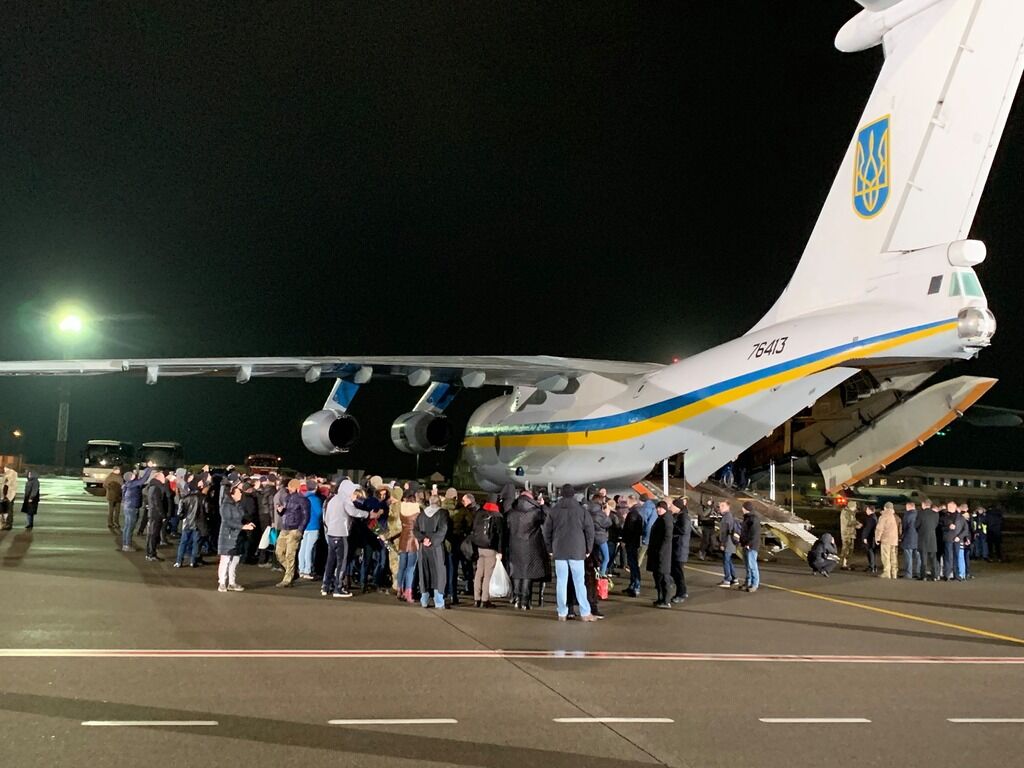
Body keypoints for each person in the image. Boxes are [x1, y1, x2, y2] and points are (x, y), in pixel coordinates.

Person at [542, 484, 597, 622]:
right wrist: (588, 549)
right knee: (579, 582)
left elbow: (546, 531)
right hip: (577, 550)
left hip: (559, 550)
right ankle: (585, 612)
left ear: (561, 494)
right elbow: (590, 531)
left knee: (561, 582)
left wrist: (549, 548)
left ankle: (562, 612)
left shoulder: (554, 511)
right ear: (573, 494)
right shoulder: (581, 511)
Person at [506, 488, 548, 610]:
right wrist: (543, 506)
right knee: (527, 574)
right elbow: (547, 518)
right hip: (530, 545)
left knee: (517, 573)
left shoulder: (512, 512)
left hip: (514, 545)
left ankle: (517, 599)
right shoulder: (535, 512)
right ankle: (525, 601)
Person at [217, 481, 256, 592]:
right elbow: (227, 521)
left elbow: (241, 517)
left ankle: (232, 582)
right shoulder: (225, 505)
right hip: (227, 536)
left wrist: (247, 524)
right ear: (232, 494)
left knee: (235, 560)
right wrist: (243, 527)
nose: (241, 495)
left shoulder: (238, 505)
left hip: (238, 536)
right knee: (225, 560)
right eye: (239, 493)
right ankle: (222, 583)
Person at [414, 495, 449, 608]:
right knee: (439, 572)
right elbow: (443, 529)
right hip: (436, 546)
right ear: (439, 502)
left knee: (424, 571)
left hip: (423, 547)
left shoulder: (422, 514)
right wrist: (433, 541)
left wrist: (423, 539)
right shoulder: (443, 513)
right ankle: (439, 601)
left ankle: (424, 599)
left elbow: (415, 529)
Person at [470, 494, 504, 608]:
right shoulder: (497, 516)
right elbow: (500, 535)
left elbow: (474, 529)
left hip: (479, 547)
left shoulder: (479, 513)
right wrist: (500, 551)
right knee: (488, 574)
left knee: (479, 573)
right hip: (491, 548)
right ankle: (485, 600)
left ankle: (476, 599)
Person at [275, 479, 310, 587]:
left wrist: (300, 530)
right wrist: (280, 511)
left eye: (290, 487)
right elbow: (286, 513)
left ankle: (287, 579)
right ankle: (291, 572)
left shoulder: (303, 500)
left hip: (294, 530)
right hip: (285, 528)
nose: (288, 488)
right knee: (279, 553)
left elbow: (306, 516)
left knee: (290, 554)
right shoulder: (287, 498)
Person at [646, 501, 673, 608]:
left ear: (665, 509)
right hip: (657, 552)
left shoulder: (666, 520)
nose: (658, 509)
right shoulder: (661, 519)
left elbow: (667, 538)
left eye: (660, 508)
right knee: (658, 576)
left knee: (663, 577)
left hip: (662, 554)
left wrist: (661, 551)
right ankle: (661, 599)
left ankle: (666, 600)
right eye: (657, 508)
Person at [174, 478, 205, 567]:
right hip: (198, 523)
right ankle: (193, 561)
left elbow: (180, 513)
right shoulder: (202, 498)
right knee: (196, 543)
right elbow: (207, 510)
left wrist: (184, 517)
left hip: (187, 522)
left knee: (183, 542)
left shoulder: (184, 499)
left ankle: (179, 561)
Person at [396, 493, 421, 603]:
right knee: (411, 568)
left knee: (402, 566)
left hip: (403, 538)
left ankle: (399, 589)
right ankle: (408, 592)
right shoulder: (417, 510)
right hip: (413, 540)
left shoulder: (402, 508)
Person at [298, 482, 323, 580]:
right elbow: (319, 512)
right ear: (316, 488)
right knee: (310, 549)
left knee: (303, 548)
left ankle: (301, 569)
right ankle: (308, 570)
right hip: (313, 525)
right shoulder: (315, 499)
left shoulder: (303, 498)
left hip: (304, 526)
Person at [120, 469, 149, 552]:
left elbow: (141, 484)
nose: (134, 475)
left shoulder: (128, 484)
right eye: (132, 475)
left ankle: (125, 544)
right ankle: (127, 545)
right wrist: (149, 468)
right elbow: (143, 479)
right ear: (130, 478)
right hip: (132, 507)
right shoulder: (132, 484)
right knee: (130, 527)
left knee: (127, 526)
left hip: (128, 506)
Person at [621, 497, 644, 596]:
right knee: (633, 564)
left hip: (631, 542)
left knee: (633, 565)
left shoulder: (632, 514)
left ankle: (636, 586)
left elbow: (629, 530)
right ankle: (633, 585)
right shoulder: (638, 512)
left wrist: (624, 540)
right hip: (635, 542)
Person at [670, 496, 691, 603]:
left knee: (678, 573)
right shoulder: (679, 516)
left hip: (680, 549)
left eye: (672, 506)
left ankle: (681, 593)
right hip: (678, 549)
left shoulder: (683, 517)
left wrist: (672, 526)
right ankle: (682, 591)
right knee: (676, 572)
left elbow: (683, 530)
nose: (670, 507)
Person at [942, 501, 969, 581]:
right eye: (948, 507)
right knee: (948, 557)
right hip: (948, 539)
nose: (949, 508)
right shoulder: (944, 517)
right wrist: (948, 527)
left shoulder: (961, 517)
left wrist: (959, 537)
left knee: (956, 557)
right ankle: (947, 575)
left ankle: (956, 574)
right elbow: (941, 527)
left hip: (957, 540)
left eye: (951, 507)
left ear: (955, 507)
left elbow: (965, 529)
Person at [144, 472, 168, 562]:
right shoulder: (156, 488)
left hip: (152, 513)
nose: (164, 478)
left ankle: (150, 553)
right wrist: (163, 515)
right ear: (158, 478)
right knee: (153, 535)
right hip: (155, 514)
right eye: (163, 477)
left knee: (151, 534)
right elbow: (157, 503)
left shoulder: (151, 487)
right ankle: (151, 554)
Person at [739, 501, 761, 592]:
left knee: (752, 565)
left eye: (743, 507)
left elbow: (754, 534)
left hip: (751, 546)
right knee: (748, 565)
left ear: (745, 508)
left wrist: (749, 544)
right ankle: (748, 582)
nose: (741, 509)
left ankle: (754, 584)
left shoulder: (753, 519)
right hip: (746, 544)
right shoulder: (748, 518)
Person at [875, 502, 901, 579]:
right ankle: (894, 573)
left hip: (886, 540)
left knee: (886, 557)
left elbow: (880, 528)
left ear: (885, 508)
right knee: (893, 557)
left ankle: (887, 573)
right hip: (894, 540)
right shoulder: (895, 516)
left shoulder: (884, 516)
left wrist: (877, 538)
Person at [915, 498, 939, 581]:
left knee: (923, 559)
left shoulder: (920, 514)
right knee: (933, 559)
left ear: (924, 504)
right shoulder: (935, 514)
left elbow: (916, 525)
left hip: (923, 538)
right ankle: (934, 576)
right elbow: (936, 525)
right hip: (932, 539)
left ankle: (923, 576)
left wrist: (920, 531)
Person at [718, 501, 740, 587]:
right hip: (731, 542)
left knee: (726, 561)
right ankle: (734, 579)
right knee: (729, 560)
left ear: (728, 507)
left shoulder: (726, 517)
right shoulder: (729, 516)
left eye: (723, 506)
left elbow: (724, 532)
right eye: (720, 506)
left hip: (728, 542)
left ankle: (727, 580)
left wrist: (722, 544)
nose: (720, 507)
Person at [589, 493, 612, 576]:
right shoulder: (600, 513)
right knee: (606, 558)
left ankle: (594, 573)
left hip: (591, 537)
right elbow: (608, 523)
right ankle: (602, 574)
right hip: (600, 537)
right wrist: (607, 514)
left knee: (594, 557)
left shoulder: (588, 510)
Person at [839, 500, 860, 570]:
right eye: (855, 507)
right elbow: (848, 523)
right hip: (846, 534)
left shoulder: (851, 513)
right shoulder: (845, 513)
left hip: (851, 533)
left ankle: (846, 563)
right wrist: (857, 524)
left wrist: (856, 524)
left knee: (850, 548)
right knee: (846, 548)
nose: (855, 508)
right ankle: (843, 564)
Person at [901, 502, 920, 579]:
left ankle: (909, 574)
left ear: (908, 506)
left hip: (908, 538)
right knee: (918, 557)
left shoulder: (907, 515)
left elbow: (905, 527)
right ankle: (918, 572)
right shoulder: (919, 514)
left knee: (908, 557)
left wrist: (902, 536)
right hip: (918, 538)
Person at [104, 467, 123, 531]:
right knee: (117, 511)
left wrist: (110, 488)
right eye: (118, 470)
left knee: (111, 510)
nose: (119, 471)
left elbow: (104, 485)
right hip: (117, 496)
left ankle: (110, 523)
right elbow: (122, 486)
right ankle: (116, 523)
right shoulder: (119, 477)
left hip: (110, 496)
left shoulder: (109, 477)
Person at [860, 504, 878, 574]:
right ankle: (873, 566)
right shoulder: (874, 517)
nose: (866, 511)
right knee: (872, 552)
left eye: (867, 510)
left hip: (869, 537)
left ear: (870, 510)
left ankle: (872, 566)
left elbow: (867, 529)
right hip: (873, 537)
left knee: (870, 552)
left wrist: (864, 537)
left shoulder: (870, 518)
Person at [1, 464, 18, 530]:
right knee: (8, 510)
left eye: (5, 468)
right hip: (10, 495)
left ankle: (8, 524)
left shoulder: (10, 474)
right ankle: (7, 523)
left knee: (8, 510)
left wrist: (5, 496)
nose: (4, 469)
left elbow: (7, 486)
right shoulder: (12, 474)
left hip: (9, 495)